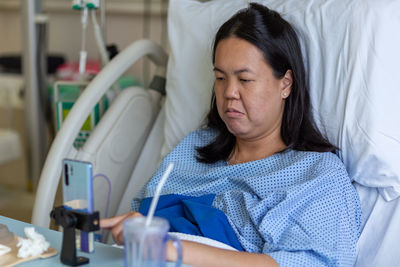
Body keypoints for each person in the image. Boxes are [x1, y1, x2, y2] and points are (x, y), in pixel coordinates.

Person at [101, 3, 361, 267]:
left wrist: (171, 248)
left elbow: (304, 263)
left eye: (244, 80)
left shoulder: (317, 175)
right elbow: (141, 217)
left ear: (285, 83)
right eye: (221, 78)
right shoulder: (191, 149)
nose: (229, 93)